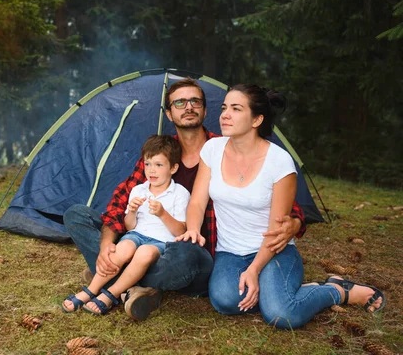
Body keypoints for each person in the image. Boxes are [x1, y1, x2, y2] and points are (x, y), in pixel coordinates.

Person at [64, 77, 306, 321]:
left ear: (204, 109)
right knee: (78, 215)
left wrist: (295, 222)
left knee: (185, 253)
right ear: (169, 114)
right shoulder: (161, 153)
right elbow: (122, 200)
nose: (188, 107)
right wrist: (107, 246)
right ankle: (129, 280)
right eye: (179, 103)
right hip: (143, 241)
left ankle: (114, 277)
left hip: (191, 254)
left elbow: (276, 204)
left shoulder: (224, 147)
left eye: (194, 101)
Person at [177, 84, 385, 329]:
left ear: (257, 119)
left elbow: (278, 230)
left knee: (281, 314)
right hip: (229, 252)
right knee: (224, 301)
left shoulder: (279, 161)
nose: (225, 114)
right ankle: (277, 290)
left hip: (274, 249)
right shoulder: (212, 149)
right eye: (224, 108)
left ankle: (337, 290)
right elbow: (198, 201)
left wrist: (254, 270)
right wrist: (192, 228)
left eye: (236, 109)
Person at [62, 135, 190, 316]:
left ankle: (110, 295)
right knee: (121, 249)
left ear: (174, 168)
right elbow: (130, 227)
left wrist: (162, 213)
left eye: (159, 165)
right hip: (137, 234)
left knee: (144, 252)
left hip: (161, 242)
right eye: (148, 164)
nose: (152, 170)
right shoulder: (139, 190)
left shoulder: (180, 193)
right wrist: (131, 211)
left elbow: (180, 230)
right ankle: (90, 290)